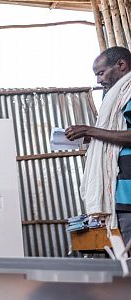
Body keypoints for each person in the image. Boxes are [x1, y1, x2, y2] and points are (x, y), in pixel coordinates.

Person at [65, 46, 131, 245]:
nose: (98, 80)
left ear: (121, 64)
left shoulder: (128, 92)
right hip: (122, 197)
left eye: (101, 73)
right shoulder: (119, 95)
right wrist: (92, 137)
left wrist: (91, 131)